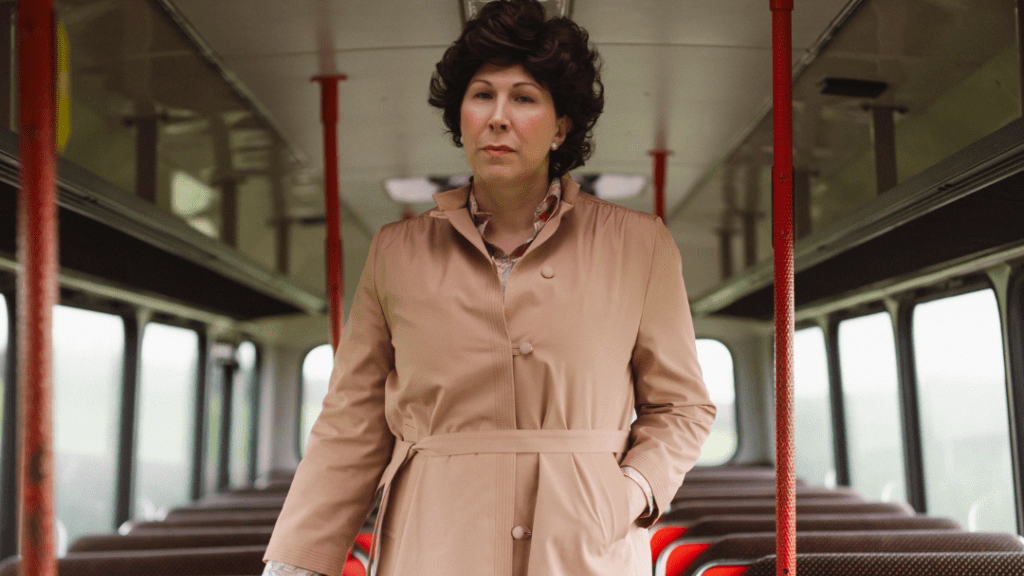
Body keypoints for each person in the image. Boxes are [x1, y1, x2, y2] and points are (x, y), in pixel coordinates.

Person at [262, 1, 715, 575]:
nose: (498, 116)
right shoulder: (396, 252)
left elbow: (681, 406)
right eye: (482, 95)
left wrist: (628, 492)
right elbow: (352, 423)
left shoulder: (639, 246)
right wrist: (296, 562)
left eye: (523, 98)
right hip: (433, 543)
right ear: (461, 118)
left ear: (561, 127)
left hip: (582, 549)